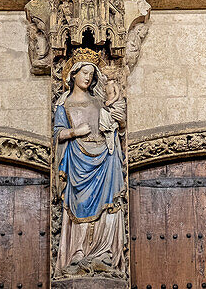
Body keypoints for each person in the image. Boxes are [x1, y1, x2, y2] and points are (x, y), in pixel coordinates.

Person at [54, 50, 126, 274]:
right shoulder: (63, 103)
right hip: (78, 158)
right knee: (80, 203)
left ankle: (103, 253)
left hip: (104, 156)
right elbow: (58, 134)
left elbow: (115, 123)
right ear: (73, 74)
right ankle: (78, 253)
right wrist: (75, 131)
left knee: (108, 204)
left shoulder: (98, 101)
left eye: (91, 74)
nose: (87, 77)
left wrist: (116, 118)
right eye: (84, 72)